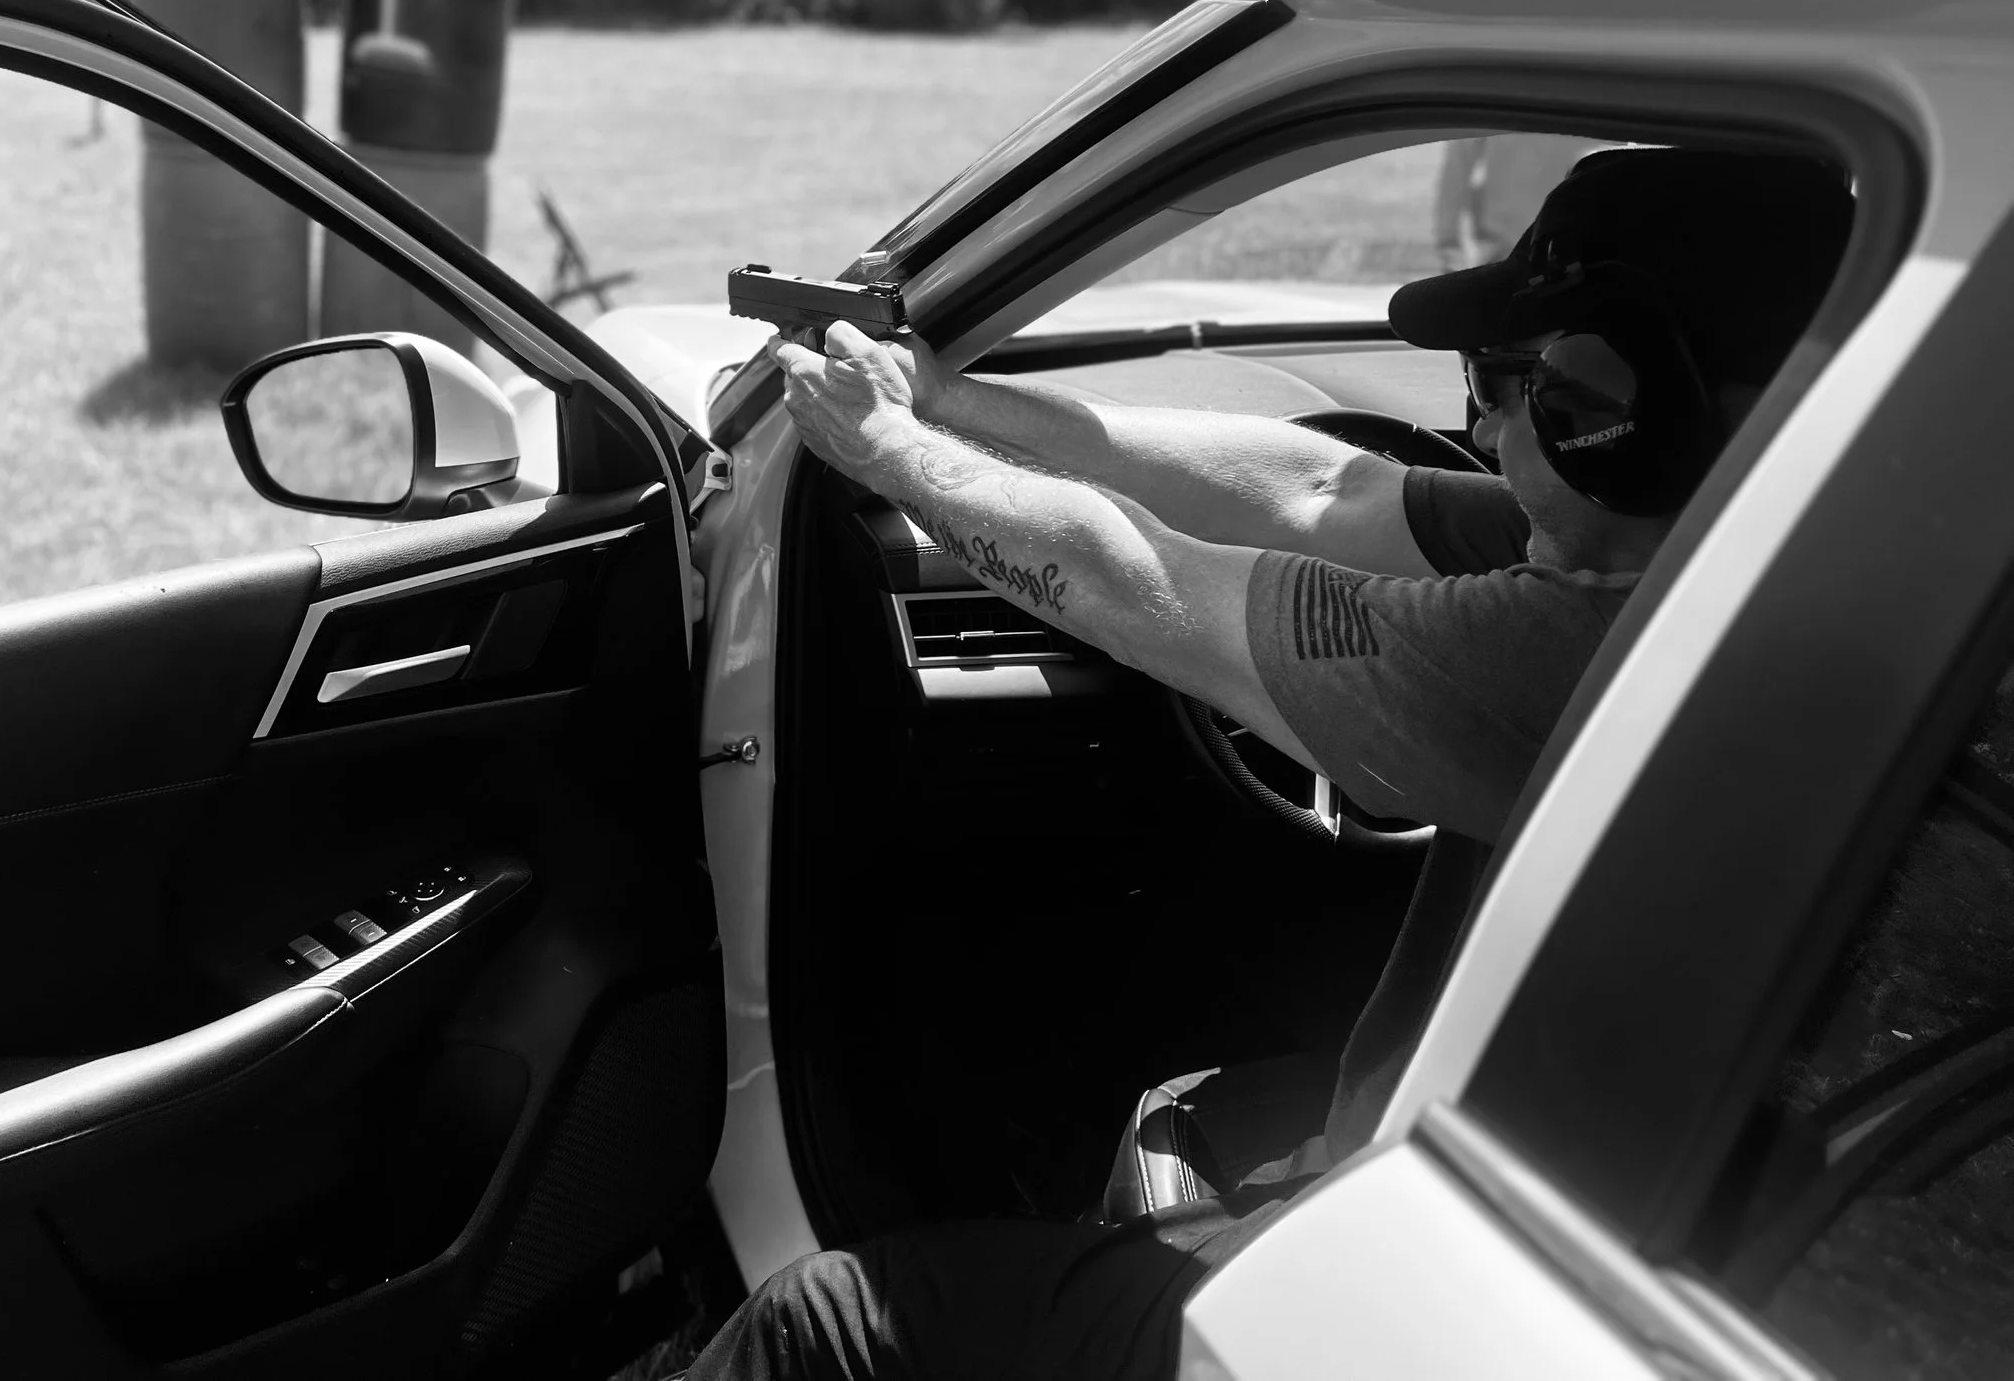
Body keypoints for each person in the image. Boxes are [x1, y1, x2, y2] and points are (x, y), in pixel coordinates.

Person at [681, 148, 1855, 1381]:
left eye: (1529, 385)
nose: (1481, 420)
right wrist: (948, 397)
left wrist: (893, 457)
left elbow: (1159, 595)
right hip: (1599, 1202)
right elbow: (1322, 488)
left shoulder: (1599, 649)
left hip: (1444, 1303)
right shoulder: (1740, 559)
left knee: (821, 1327)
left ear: (1645, 420)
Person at [1433, 133, 1606, 269]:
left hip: (1512, 259)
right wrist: (1450, 249)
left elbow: (1457, 169)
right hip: (1584, 258)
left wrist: (1450, 252)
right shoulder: (1605, 93)